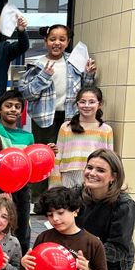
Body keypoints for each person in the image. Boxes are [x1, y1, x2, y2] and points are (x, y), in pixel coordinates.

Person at [19, 24, 97, 200]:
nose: (57, 43)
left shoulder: (75, 62)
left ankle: (62, 197)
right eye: (53, 39)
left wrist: (89, 74)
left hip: (70, 117)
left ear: (68, 42)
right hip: (44, 118)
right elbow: (27, 94)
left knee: (64, 158)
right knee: (42, 157)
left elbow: (86, 90)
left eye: (62, 39)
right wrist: (44, 76)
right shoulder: (36, 64)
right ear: (46, 41)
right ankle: (38, 199)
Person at [0, 89, 35, 254]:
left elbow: (33, 163)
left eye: (17, 107)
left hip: (22, 188)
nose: (13, 109)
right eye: (8, 105)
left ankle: (21, 265)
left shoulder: (28, 136)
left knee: (22, 227)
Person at [50, 87, 114, 188]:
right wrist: (55, 184)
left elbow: (110, 161)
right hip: (68, 177)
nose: (87, 105)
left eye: (92, 102)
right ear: (77, 104)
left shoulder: (106, 130)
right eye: (83, 102)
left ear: (100, 104)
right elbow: (57, 157)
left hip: (94, 177)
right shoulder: (66, 127)